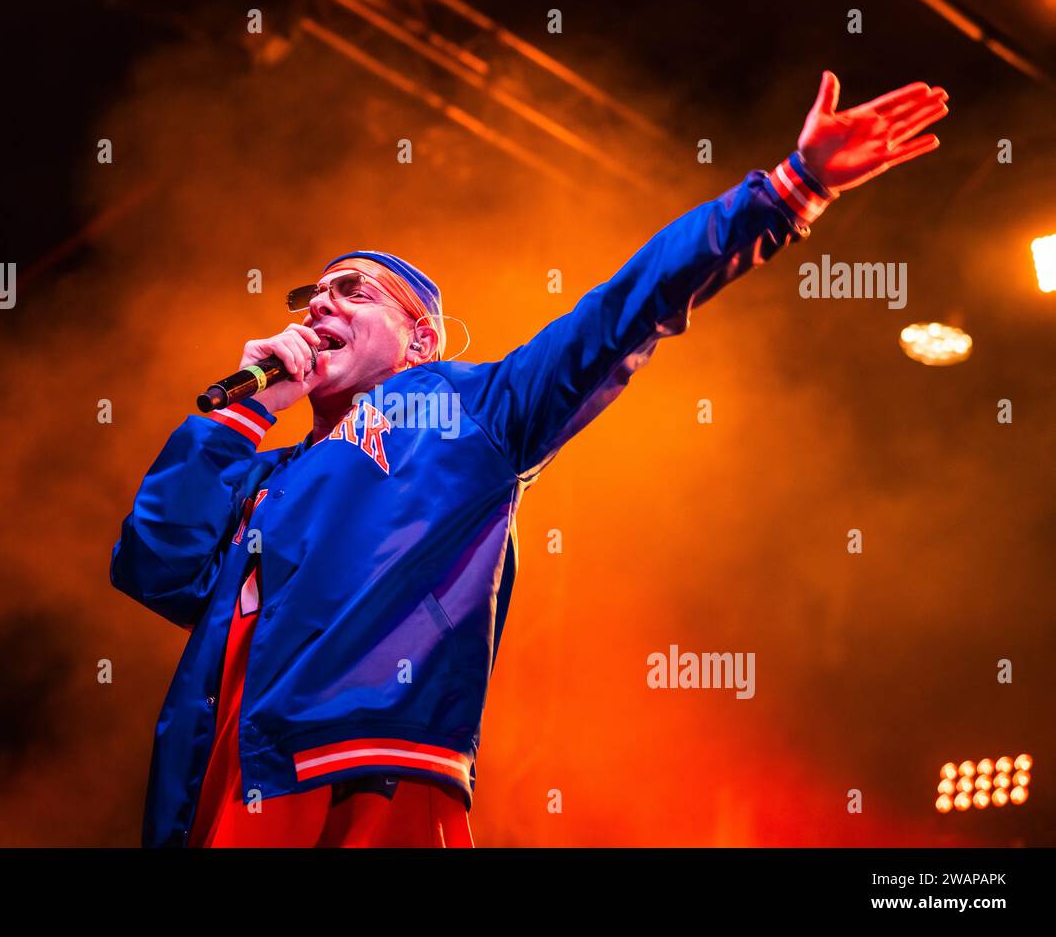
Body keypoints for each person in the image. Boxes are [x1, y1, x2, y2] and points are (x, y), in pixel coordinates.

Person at [111, 72, 948, 847]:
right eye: (313, 293)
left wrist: (786, 191)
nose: (321, 301)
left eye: (354, 290)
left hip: (362, 770)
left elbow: (623, 312)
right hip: (221, 788)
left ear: (421, 338)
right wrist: (245, 411)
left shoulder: (468, 410)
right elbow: (157, 568)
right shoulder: (265, 474)